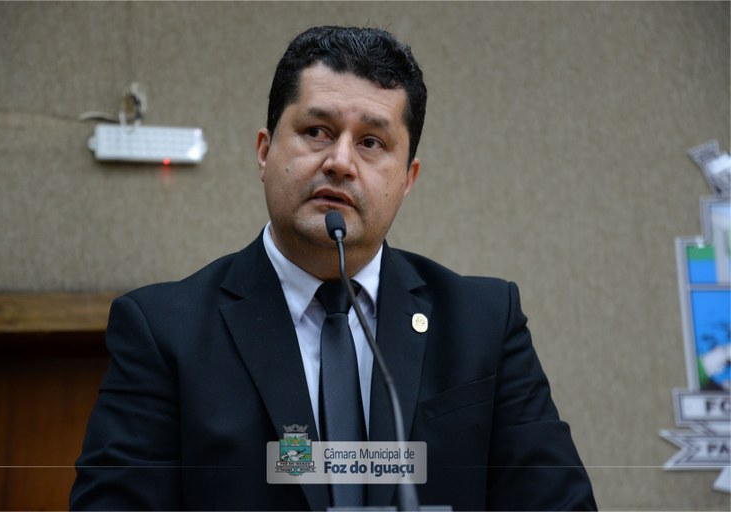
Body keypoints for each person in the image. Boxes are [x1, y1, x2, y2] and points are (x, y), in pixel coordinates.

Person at [70, 25, 596, 511]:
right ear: (264, 152)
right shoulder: (165, 331)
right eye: (317, 131)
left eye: (371, 142)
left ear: (407, 179)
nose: (341, 162)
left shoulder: (483, 323)